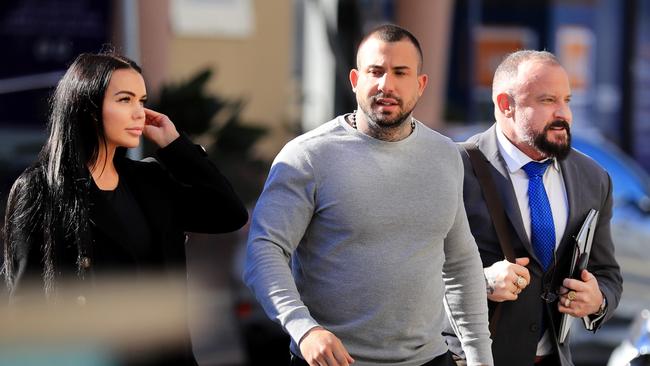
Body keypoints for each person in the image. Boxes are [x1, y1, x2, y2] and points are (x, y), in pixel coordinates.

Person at [244, 24, 493, 366]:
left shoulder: (446, 155)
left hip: (431, 360)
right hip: (334, 361)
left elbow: (461, 264)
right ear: (355, 80)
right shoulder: (307, 156)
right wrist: (304, 329)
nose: (386, 85)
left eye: (400, 73)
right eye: (375, 71)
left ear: (420, 85)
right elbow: (263, 249)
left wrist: (481, 359)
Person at [3, 52, 248, 365]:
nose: (139, 113)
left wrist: (176, 146)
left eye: (142, 100)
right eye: (124, 100)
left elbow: (228, 213)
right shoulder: (41, 188)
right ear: (87, 107)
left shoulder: (149, 179)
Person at [446, 50, 623, 365]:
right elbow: (412, 273)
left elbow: (607, 273)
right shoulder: (452, 168)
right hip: (468, 359)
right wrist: (480, 282)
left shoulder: (593, 178)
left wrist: (596, 300)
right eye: (547, 101)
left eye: (566, 100)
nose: (563, 113)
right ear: (505, 105)